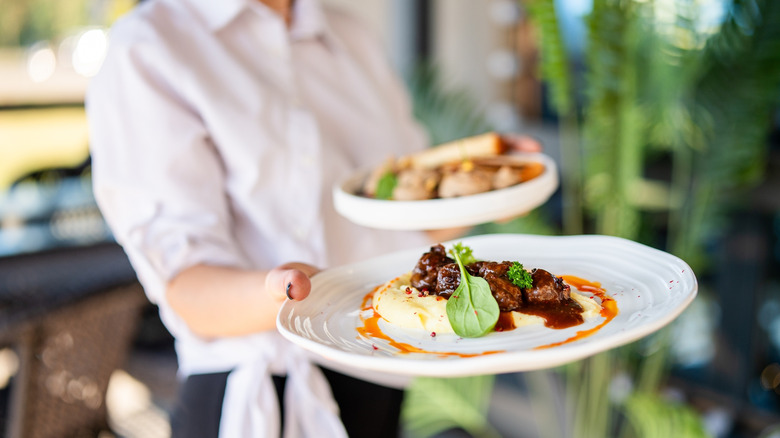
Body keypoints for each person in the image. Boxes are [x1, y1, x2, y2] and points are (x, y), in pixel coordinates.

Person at [87, 0, 540, 436]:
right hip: (259, 392)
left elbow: (404, 220)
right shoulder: (152, 44)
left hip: (379, 375)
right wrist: (295, 289)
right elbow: (188, 291)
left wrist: (491, 195)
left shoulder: (350, 37)